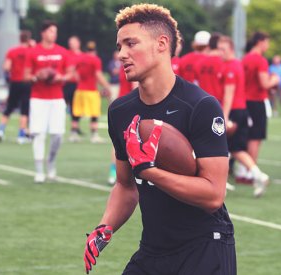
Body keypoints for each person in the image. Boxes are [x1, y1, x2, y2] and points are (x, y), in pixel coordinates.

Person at [84, 4, 236, 275]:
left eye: (131, 43)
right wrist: (105, 226)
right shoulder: (120, 111)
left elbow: (213, 195)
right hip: (153, 248)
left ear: (162, 44)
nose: (122, 54)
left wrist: (150, 172)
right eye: (120, 46)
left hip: (204, 247)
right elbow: (125, 185)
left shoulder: (200, 106)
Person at [219, 36, 269, 197]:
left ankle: (221, 180)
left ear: (231, 50)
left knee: (223, 147)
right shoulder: (233, 64)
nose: (220, 53)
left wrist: (225, 116)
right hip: (240, 110)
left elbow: (229, 94)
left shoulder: (232, 66)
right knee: (235, 149)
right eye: (219, 49)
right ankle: (257, 174)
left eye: (223, 49)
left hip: (233, 111)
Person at [25, 20, 74, 183]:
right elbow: (25, 75)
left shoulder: (62, 52)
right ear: (43, 33)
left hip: (57, 98)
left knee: (58, 135)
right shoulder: (33, 52)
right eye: (51, 31)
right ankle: (39, 170)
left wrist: (60, 77)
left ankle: (51, 161)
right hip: (38, 98)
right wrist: (36, 76)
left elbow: (69, 73)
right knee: (38, 134)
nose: (54, 34)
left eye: (55, 31)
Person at [240, 32, 279, 181]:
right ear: (260, 42)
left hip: (245, 101)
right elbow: (265, 83)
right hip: (256, 101)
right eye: (267, 42)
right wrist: (275, 79)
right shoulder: (260, 60)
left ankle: (242, 170)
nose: (268, 46)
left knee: (247, 137)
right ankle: (251, 172)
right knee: (255, 138)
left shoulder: (244, 59)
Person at [69, 41, 111, 143]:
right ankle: (94, 135)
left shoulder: (81, 58)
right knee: (94, 113)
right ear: (95, 50)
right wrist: (106, 86)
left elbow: (71, 69)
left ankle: (73, 134)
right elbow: (98, 75)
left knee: (77, 112)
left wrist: (77, 78)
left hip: (79, 90)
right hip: (91, 91)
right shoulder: (95, 60)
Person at [0, 30, 32, 144]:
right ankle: (21, 135)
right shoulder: (31, 51)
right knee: (24, 110)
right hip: (26, 82)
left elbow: (6, 66)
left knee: (9, 107)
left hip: (14, 82)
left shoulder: (12, 51)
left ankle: (0, 131)